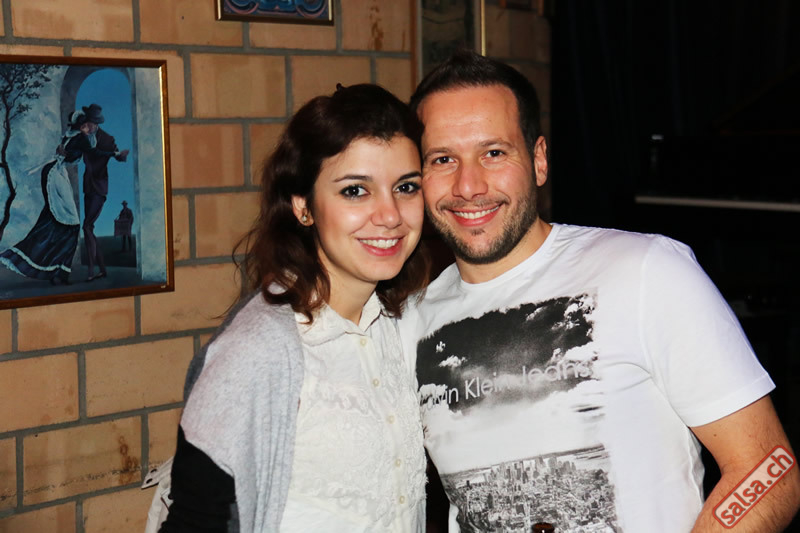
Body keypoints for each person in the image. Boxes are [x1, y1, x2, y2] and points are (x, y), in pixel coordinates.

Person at [398, 51, 800, 532]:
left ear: (539, 160)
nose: (468, 185)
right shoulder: (410, 319)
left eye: (494, 153)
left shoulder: (646, 270)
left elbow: (769, 468)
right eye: (443, 159)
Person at [159, 84, 430, 532]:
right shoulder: (258, 350)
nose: (390, 215)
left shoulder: (401, 323)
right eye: (355, 191)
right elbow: (196, 519)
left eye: (405, 187)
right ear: (303, 207)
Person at [0, 110, 89, 285]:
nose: (88, 128)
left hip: (55, 173)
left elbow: (70, 155)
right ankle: (55, 270)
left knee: (57, 223)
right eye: (85, 125)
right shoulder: (80, 139)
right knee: (70, 225)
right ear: (80, 126)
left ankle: (57, 272)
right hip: (55, 175)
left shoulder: (71, 136)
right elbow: (86, 152)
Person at [77, 103, 129, 281]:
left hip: (99, 188)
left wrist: (120, 156)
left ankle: (91, 270)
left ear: (97, 123)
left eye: (91, 123)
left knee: (87, 226)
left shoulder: (107, 139)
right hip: (87, 186)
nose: (88, 126)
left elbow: (114, 155)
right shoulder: (83, 136)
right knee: (89, 227)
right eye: (87, 122)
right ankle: (102, 269)